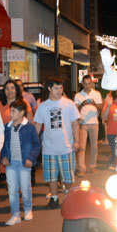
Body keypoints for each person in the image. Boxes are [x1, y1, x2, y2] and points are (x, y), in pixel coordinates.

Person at [34, 76, 81, 209]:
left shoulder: (69, 104)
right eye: (56, 88)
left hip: (67, 146)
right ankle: (54, 198)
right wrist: (33, 143)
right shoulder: (43, 106)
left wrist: (77, 141)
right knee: (51, 176)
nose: (59, 91)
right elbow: (37, 126)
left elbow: (75, 123)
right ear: (49, 88)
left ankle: (67, 195)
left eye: (60, 88)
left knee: (68, 176)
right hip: (49, 147)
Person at [1, 99, 41, 225]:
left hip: (24, 163)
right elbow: (2, 144)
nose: (10, 114)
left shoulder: (29, 127)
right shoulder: (7, 128)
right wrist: (3, 157)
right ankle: (15, 214)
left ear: (22, 112)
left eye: (13, 111)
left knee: (25, 188)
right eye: (10, 111)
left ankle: (28, 210)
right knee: (12, 189)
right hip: (11, 164)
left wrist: (31, 158)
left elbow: (37, 144)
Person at [74, 75, 103, 177]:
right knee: (82, 147)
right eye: (85, 84)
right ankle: (82, 168)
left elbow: (101, 109)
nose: (87, 86)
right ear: (82, 84)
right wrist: (82, 104)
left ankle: (93, 166)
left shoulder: (97, 94)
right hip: (82, 123)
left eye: (89, 83)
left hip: (94, 122)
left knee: (94, 146)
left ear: (92, 83)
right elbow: (75, 111)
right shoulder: (78, 96)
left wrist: (94, 104)